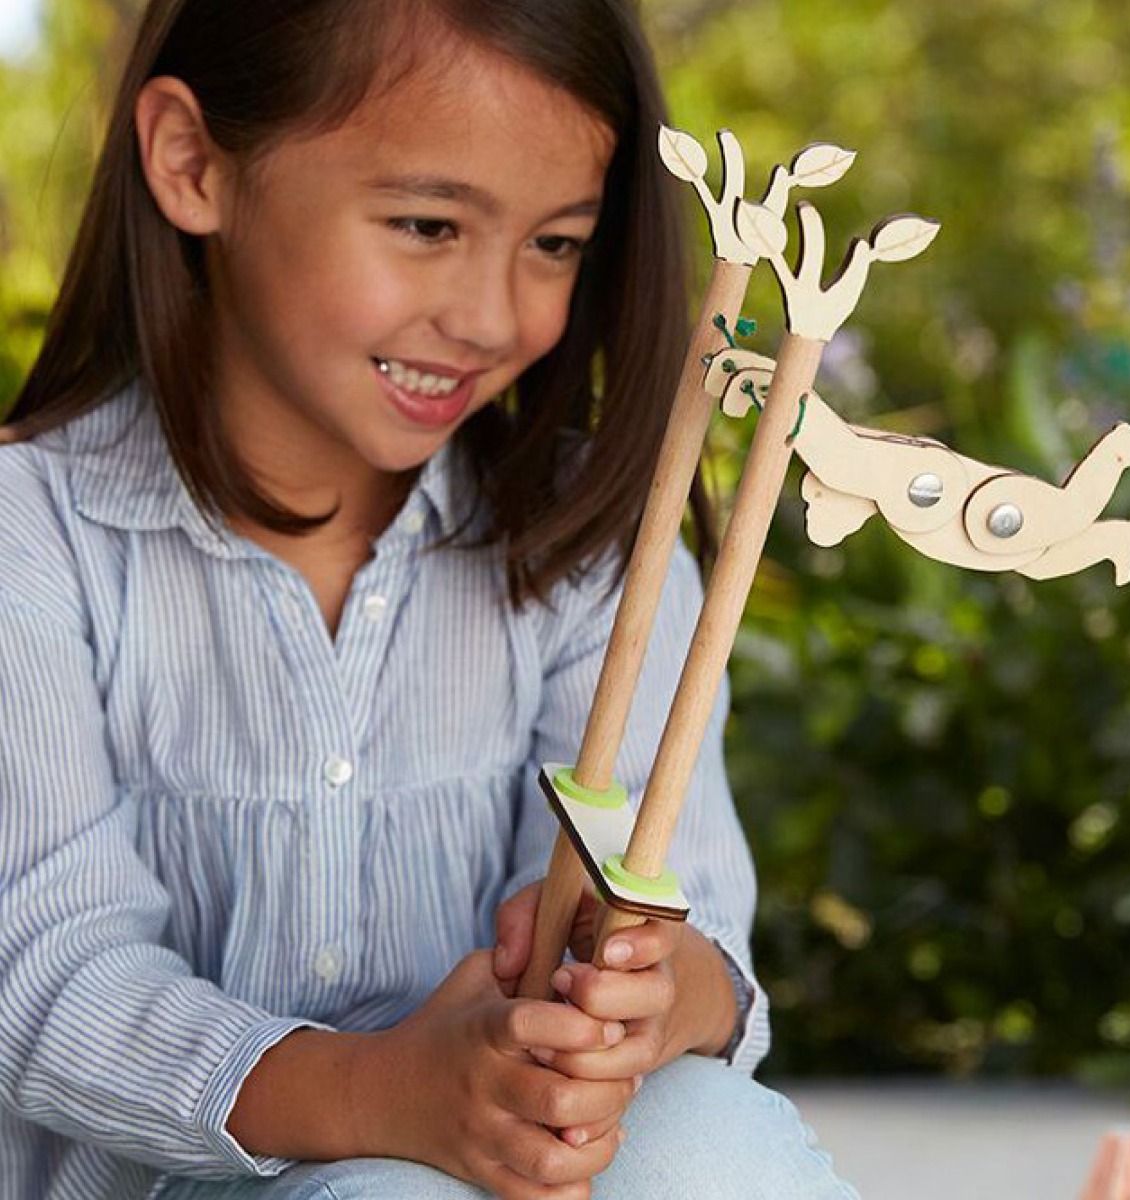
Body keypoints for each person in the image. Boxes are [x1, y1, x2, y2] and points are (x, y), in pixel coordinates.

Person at [0, 1, 859, 1197]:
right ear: (193, 164)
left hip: (507, 1156)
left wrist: (648, 997)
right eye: (426, 224)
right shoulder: (29, 533)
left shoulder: (594, 534)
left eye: (555, 244)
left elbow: (699, 919)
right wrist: (385, 1093)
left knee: (716, 1134)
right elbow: (46, 976)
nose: (495, 316)